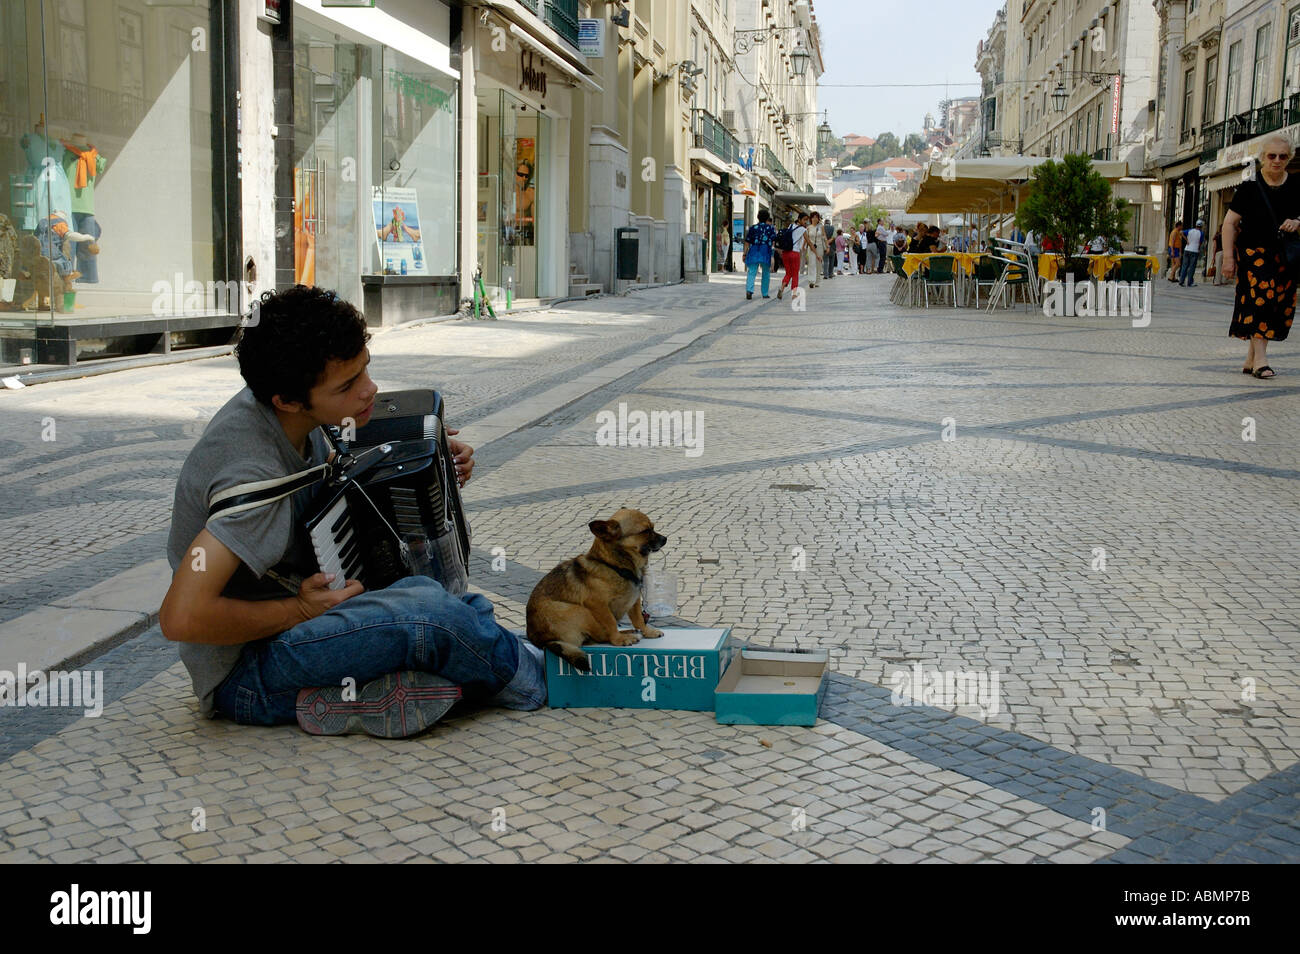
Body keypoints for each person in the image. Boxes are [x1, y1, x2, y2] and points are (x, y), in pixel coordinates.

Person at [160, 286, 546, 736]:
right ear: (288, 400)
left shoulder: (283, 405)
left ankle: (374, 691)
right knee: (431, 617)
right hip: (248, 673)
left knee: (452, 599)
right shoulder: (250, 474)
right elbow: (180, 617)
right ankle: (549, 683)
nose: (370, 391)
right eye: (347, 386)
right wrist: (300, 610)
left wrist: (433, 452)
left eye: (366, 370)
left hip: (308, 625)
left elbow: (355, 441)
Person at [1221, 135, 1299, 378]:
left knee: (1279, 305)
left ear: (1289, 158)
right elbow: (1229, 223)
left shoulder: (1297, 186)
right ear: (1262, 157)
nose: (1277, 161)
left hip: (1285, 255)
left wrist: (1297, 222)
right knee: (1262, 298)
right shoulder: (1249, 186)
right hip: (1254, 253)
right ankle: (1261, 361)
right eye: (1271, 156)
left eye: (1283, 156)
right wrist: (1228, 259)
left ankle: (1251, 357)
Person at [743, 210, 777, 300]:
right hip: (765, 251)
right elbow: (774, 240)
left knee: (752, 271)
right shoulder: (770, 229)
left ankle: (749, 290)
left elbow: (747, 242)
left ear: (758, 217)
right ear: (767, 218)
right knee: (766, 273)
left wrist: (744, 253)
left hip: (754, 250)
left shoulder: (753, 228)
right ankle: (765, 293)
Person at [777, 212, 808, 299]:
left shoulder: (790, 226)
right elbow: (808, 242)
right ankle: (794, 294)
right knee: (795, 274)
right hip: (794, 253)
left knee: (788, 273)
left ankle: (782, 287)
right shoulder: (803, 230)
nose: (806, 222)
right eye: (804, 220)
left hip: (786, 253)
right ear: (799, 219)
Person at [804, 211, 828, 288]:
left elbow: (824, 237)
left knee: (818, 264)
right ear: (811, 218)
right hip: (811, 248)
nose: (815, 219)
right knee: (811, 264)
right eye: (813, 217)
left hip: (820, 247)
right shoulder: (808, 227)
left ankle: (817, 281)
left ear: (818, 219)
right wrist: (803, 247)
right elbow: (806, 239)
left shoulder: (821, 227)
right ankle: (811, 281)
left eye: (816, 217)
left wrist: (827, 246)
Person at [1179, 219, 1205, 286]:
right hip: (1194, 250)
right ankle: (1190, 282)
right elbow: (1200, 242)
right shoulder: (1201, 233)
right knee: (1192, 267)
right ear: (1201, 226)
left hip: (1187, 249)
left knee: (1184, 266)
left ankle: (1181, 281)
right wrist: (1199, 248)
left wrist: (1186, 240)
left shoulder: (1190, 230)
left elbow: (1181, 232)